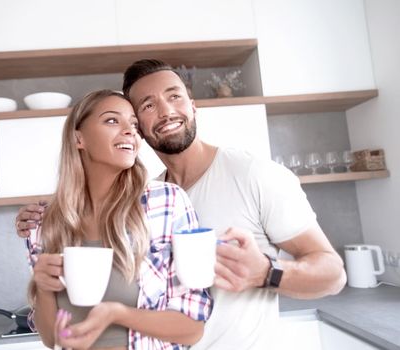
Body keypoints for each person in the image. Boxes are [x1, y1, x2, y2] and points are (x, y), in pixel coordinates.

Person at [17, 60, 347, 349]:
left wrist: (267, 273)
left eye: (174, 96)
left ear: (193, 105)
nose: (165, 111)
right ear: (141, 129)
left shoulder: (253, 174)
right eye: (146, 106)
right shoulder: (153, 197)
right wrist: (50, 219)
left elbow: (332, 275)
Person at [24, 89, 212, 350]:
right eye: (112, 120)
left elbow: (192, 329)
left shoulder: (166, 203)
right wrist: (43, 288)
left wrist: (117, 314)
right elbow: (50, 338)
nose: (130, 131)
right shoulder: (44, 223)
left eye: (134, 124)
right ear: (79, 138)